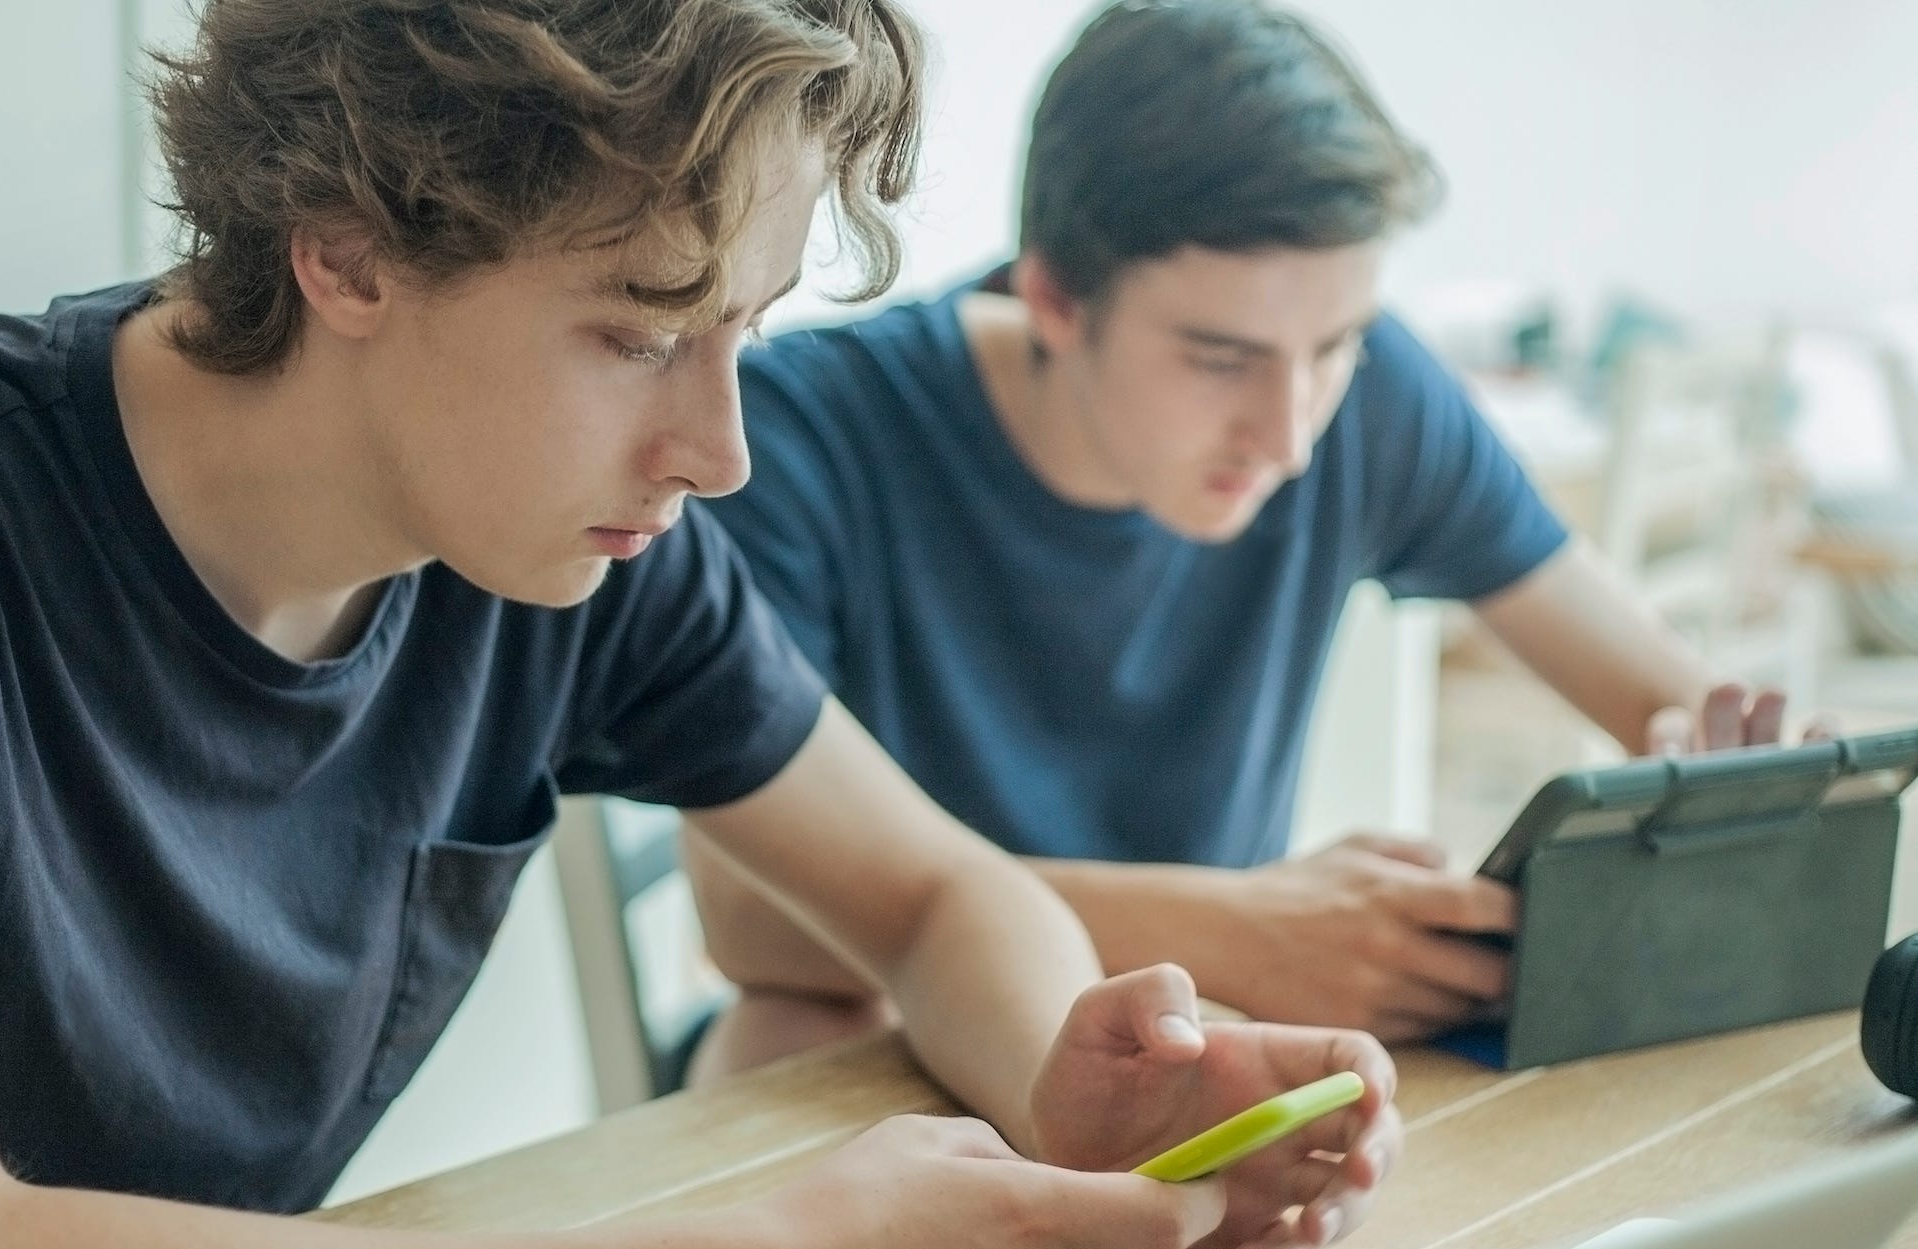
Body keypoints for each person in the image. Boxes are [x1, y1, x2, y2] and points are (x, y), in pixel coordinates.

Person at [0, 3, 1399, 1248]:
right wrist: (780, 1231)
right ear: (347, 251)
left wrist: (1071, 1068)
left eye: (741, 331)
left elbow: (928, 894)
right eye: (641, 330)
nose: (716, 443)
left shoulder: (571, 543)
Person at [686, 0, 1812, 1076]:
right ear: (1056, 300)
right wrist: (1237, 928)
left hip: (1186, 1033)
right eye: (1221, 359)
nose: (1288, 436)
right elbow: (754, 924)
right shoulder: (795, 434)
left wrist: (1731, 783)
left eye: (1333, 346)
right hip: (880, 1037)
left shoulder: (1369, 399)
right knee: (798, 1022)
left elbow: (1668, 700)